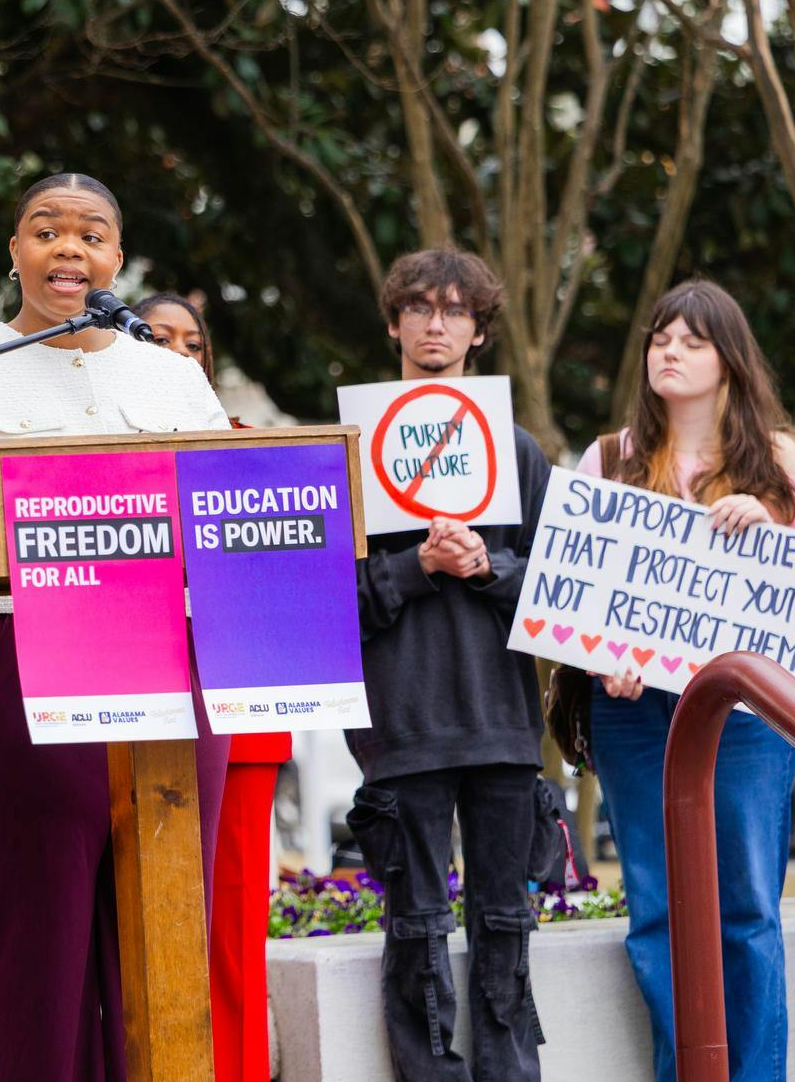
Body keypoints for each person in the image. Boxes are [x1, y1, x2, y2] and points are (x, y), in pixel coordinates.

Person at [0, 173, 233, 1082]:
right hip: (14, 684)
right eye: (46, 230)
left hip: (166, 682)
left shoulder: (171, 374)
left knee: (162, 955)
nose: (68, 248)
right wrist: (44, 552)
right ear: (14, 251)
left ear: (116, 257)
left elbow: (221, 508)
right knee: (34, 969)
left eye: (91, 234)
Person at [582, 280, 795, 1081]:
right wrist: (603, 651)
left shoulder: (781, 460)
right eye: (660, 337)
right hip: (634, 713)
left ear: (729, 359)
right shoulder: (610, 457)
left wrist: (771, 523)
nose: (670, 352)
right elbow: (581, 598)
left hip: (747, 715)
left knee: (746, 909)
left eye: (691, 340)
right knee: (656, 910)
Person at [341, 247, 552, 1082]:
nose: (437, 323)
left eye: (456, 309)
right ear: (394, 321)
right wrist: (415, 568)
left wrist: (485, 566)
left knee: (507, 921)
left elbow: (556, 590)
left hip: (501, 722)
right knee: (418, 927)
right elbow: (325, 603)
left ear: (479, 329)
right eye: (421, 307)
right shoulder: (351, 447)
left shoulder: (518, 448)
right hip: (400, 725)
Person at [133, 289, 289, 1082]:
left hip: (240, 714)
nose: (173, 351)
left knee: (229, 928)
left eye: (189, 342)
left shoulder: (249, 451)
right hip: (123, 713)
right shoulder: (99, 456)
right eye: (153, 336)